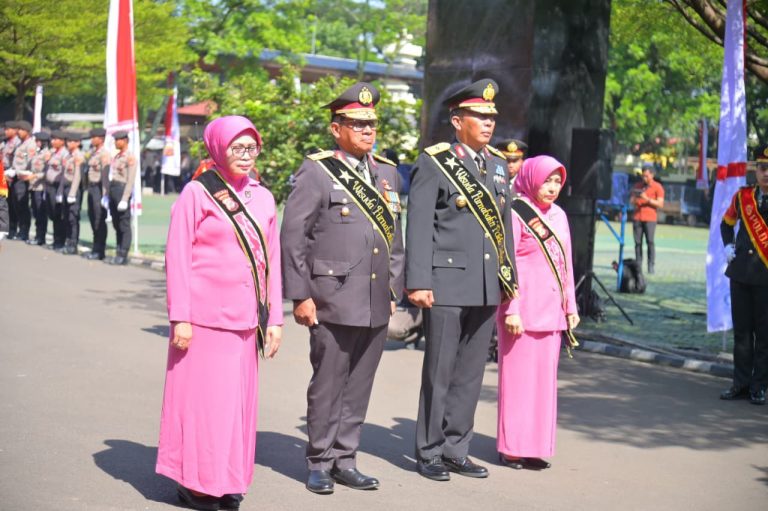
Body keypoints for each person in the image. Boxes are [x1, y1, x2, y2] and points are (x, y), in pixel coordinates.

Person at [280, 82, 405, 494]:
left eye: (371, 124)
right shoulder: (316, 170)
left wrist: (393, 290)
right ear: (336, 129)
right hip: (331, 298)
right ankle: (319, 459)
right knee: (329, 382)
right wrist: (300, 295)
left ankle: (345, 458)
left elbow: (396, 239)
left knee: (359, 384)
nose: (367, 131)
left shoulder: (386, 172)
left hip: (373, 299)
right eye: (356, 123)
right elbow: (293, 237)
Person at [156, 115, 283, 511]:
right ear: (217, 149)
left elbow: (271, 262)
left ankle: (226, 478)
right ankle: (194, 482)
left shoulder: (263, 198)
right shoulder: (198, 193)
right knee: (203, 407)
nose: (246, 156)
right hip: (204, 321)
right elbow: (177, 257)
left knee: (235, 410)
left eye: (252, 148)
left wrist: (275, 319)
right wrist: (181, 316)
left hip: (247, 322)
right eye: (237, 148)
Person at [406, 78, 517, 482]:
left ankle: (456, 448)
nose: (488, 123)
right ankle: (429, 450)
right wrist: (418, 281)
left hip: (486, 283)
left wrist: (508, 278)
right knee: (439, 369)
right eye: (479, 116)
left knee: (471, 372)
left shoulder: (500, 166)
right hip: (446, 281)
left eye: (491, 117)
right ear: (457, 120)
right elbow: (418, 226)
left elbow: (503, 225)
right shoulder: (436, 162)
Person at [496, 155, 579, 470]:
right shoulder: (516, 212)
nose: (553, 187)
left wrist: (570, 306)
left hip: (552, 314)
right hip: (521, 315)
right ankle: (512, 447)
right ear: (532, 179)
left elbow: (566, 264)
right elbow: (508, 266)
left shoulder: (559, 216)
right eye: (547, 180)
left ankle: (535, 447)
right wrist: (511, 308)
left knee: (543, 387)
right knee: (518, 383)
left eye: (558, 181)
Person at [718, 145, 768, 406]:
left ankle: (759, 387)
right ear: (755, 169)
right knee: (742, 333)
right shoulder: (743, 197)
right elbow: (726, 224)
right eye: (762, 168)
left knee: (764, 335)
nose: (766, 173)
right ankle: (740, 383)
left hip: (766, 278)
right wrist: (728, 246)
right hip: (741, 275)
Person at [107, 130, 137, 265]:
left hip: (122, 189)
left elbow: (130, 179)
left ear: (124, 141)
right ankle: (118, 250)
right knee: (116, 222)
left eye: (117, 140)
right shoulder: (117, 156)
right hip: (114, 189)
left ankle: (123, 253)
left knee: (124, 223)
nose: (115, 142)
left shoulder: (130, 157)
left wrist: (125, 198)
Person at [630, 164, 664, 274]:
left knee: (650, 241)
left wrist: (647, 199)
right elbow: (631, 201)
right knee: (637, 242)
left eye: (646, 176)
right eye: (643, 176)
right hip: (637, 217)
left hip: (650, 218)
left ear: (652, 175)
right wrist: (635, 199)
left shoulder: (658, 187)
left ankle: (651, 265)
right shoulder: (638, 185)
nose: (644, 178)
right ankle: (638, 265)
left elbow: (660, 203)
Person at [83, 128, 110, 260]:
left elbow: (105, 176)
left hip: (99, 188)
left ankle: (100, 250)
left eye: (94, 137)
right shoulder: (93, 153)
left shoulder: (104, 154)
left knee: (99, 219)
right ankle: (95, 247)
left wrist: (105, 194)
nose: (92, 139)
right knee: (92, 217)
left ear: (101, 139)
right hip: (91, 188)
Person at [9, 121, 35, 241]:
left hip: (23, 178)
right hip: (16, 176)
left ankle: (24, 230)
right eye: (18, 129)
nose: (19, 131)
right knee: (15, 204)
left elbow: (30, 162)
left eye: (21, 129)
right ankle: (19, 229)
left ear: (27, 131)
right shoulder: (20, 143)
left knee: (22, 204)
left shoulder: (30, 145)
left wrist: (21, 171)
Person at [59, 132, 84, 255]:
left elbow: (77, 176)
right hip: (66, 188)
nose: (68, 143)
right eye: (67, 141)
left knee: (73, 218)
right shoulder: (68, 155)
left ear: (78, 143)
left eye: (71, 141)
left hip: (73, 189)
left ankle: (73, 244)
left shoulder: (78, 156)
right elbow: (64, 175)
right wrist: (60, 191)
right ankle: (68, 242)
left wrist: (72, 193)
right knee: (66, 217)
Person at [45, 130, 69, 251]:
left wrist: (60, 192)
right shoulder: (53, 152)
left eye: (55, 139)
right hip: (49, 186)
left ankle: (60, 241)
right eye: (52, 139)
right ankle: (56, 240)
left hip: (57, 186)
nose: (53, 141)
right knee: (52, 214)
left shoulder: (65, 154)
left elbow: (64, 174)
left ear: (62, 141)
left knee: (59, 214)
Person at [27, 132, 51, 246]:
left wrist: (36, 176)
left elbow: (47, 172)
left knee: (41, 213)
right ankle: (38, 235)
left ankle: (41, 237)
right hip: (34, 186)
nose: (36, 142)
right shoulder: (38, 152)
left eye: (37, 141)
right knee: (36, 212)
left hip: (41, 187)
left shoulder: (47, 154)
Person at [2, 121, 21, 239]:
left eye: (8, 129)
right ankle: (7, 228)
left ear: (15, 130)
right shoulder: (6, 142)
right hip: (4, 175)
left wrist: (11, 172)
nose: (6, 131)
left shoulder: (18, 143)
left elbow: (20, 160)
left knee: (14, 204)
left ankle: (13, 228)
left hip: (13, 175)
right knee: (5, 203)